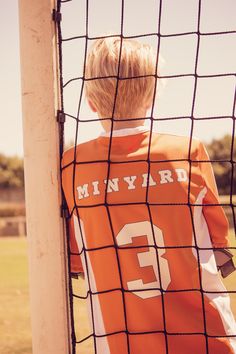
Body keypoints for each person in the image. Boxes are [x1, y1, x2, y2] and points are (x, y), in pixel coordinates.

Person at [62, 37, 236, 354]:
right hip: (206, 337)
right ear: (153, 94)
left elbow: (75, 254)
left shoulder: (73, 166)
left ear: (90, 101)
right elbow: (217, 238)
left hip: (122, 342)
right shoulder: (187, 151)